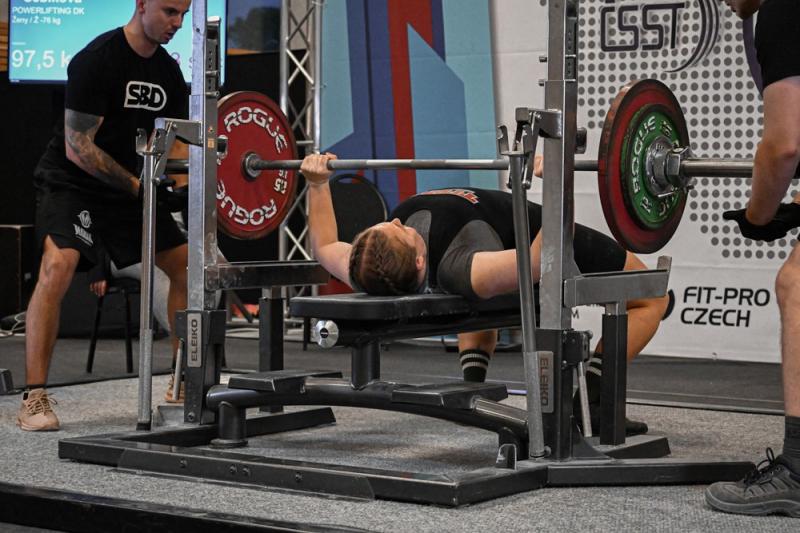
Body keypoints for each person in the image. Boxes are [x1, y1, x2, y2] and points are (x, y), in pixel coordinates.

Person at [301, 153, 669, 436]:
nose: (397, 220)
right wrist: (559, 183)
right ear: (418, 260)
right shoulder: (460, 267)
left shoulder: (366, 263)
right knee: (652, 298)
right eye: (400, 230)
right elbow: (542, 260)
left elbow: (325, 245)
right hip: (535, 235)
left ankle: (470, 389)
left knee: (481, 289)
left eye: (386, 224)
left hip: (501, 244)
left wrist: (317, 183)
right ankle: (595, 398)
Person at [18, 0, 192, 431]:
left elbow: (176, 141)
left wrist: (185, 188)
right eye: (169, 11)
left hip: (130, 188)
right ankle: (34, 398)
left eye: (183, 15)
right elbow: (78, 147)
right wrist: (139, 186)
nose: (176, 23)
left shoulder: (169, 73)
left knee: (187, 265)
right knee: (58, 264)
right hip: (72, 182)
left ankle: (182, 381)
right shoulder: (97, 60)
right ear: (142, 4)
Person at [704, 0, 800, 517]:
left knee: (796, 284)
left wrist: (759, 216)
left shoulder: (784, 10)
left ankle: (799, 471)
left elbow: (783, 146)